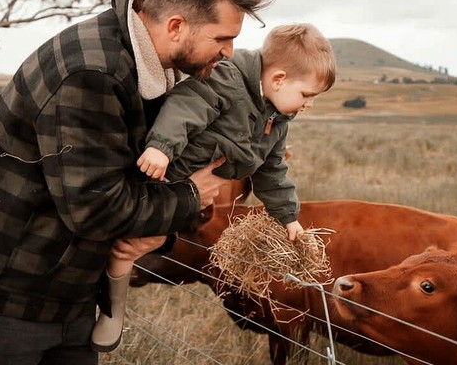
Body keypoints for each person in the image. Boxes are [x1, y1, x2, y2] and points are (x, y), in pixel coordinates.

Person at [0, 0, 271, 364]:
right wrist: (189, 195)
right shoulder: (90, 74)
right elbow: (95, 209)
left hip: (67, 291)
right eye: (222, 38)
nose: (229, 52)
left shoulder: (150, 69)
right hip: (4, 295)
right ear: (175, 27)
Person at [91, 23, 337, 350]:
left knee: (155, 241)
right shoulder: (227, 80)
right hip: (164, 178)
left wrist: (288, 217)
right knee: (130, 245)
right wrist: (161, 147)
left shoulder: (276, 120)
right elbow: (186, 105)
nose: (308, 104)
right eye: (307, 95)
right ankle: (112, 311)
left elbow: (273, 169)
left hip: (195, 196)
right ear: (279, 79)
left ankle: (101, 285)